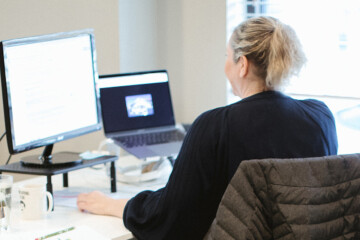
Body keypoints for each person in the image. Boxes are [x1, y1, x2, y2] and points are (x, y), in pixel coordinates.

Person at [77, 16, 338, 239]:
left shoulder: (215, 126)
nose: (225, 65)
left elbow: (171, 221)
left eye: (227, 56)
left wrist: (116, 206)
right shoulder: (320, 118)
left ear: (243, 64)